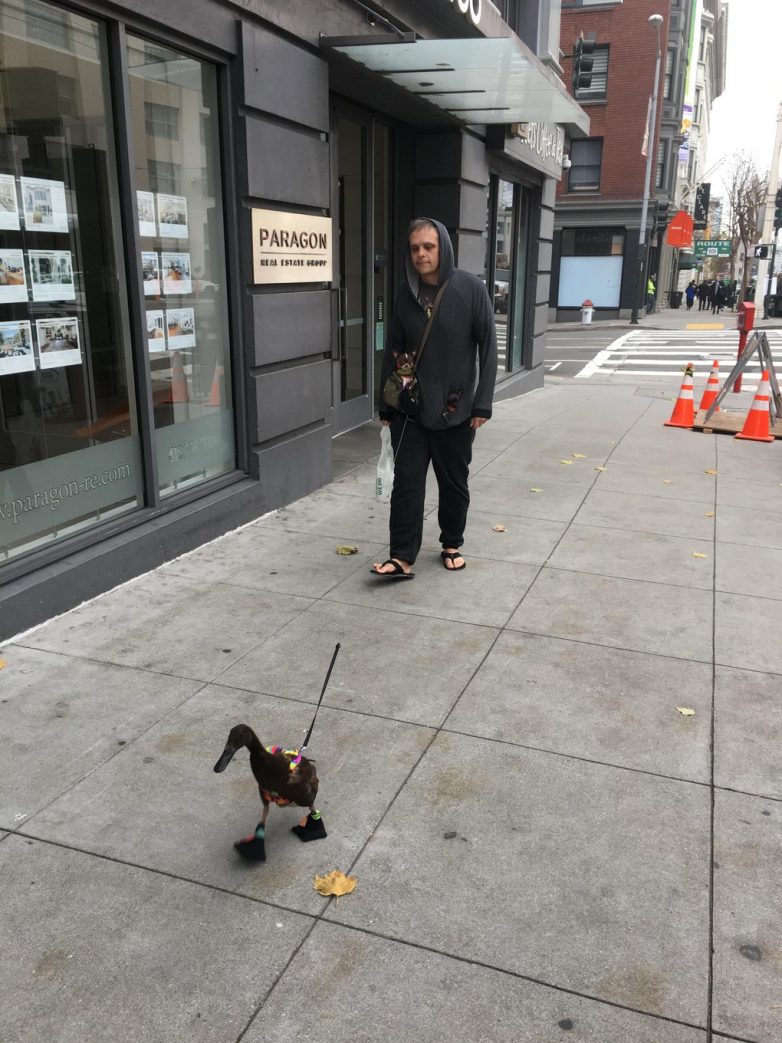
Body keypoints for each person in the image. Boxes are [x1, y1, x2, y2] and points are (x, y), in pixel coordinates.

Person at [371, 217, 497, 579]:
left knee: (453, 483)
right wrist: (386, 404)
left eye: (428, 246)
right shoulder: (405, 293)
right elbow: (394, 350)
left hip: (455, 410)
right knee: (407, 484)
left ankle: (451, 542)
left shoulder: (470, 289)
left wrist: (482, 403)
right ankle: (401, 556)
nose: (421, 254)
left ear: (443, 248)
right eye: (415, 248)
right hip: (411, 410)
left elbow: (488, 346)